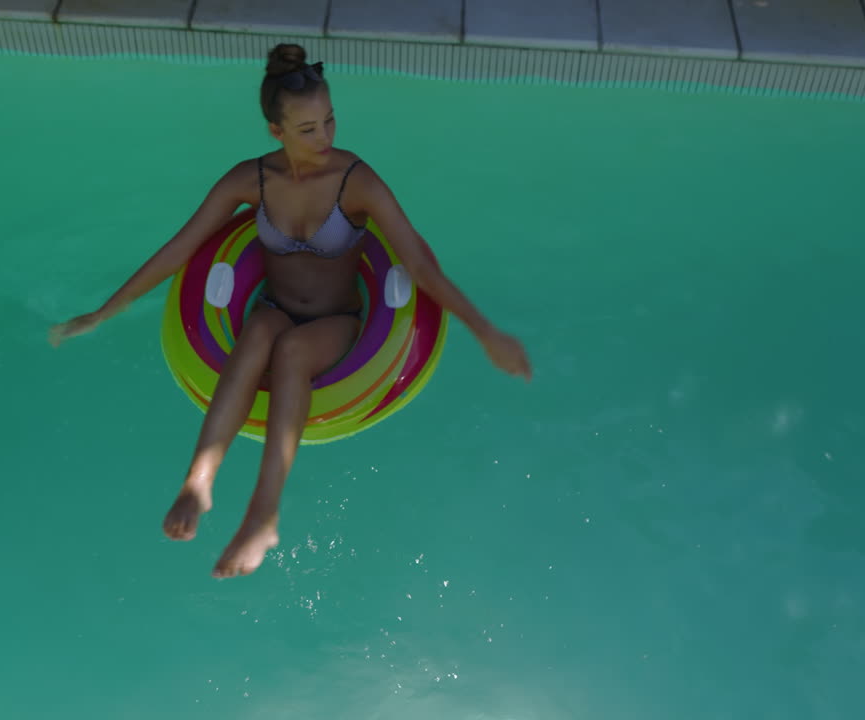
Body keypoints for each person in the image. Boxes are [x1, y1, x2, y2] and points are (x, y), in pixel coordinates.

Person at [50, 43, 532, 579]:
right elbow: (180, 248)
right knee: (260, 330)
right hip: (273, 306)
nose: (325, 137)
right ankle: (199, 482)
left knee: (293, 349)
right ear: (275, 132)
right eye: (308, 129)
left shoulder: (356, 181)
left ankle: (264, 513)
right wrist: (102, 312)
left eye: (329, 121)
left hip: (336, 324)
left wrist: (485, 332)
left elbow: (419, 265)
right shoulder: (250, 180)